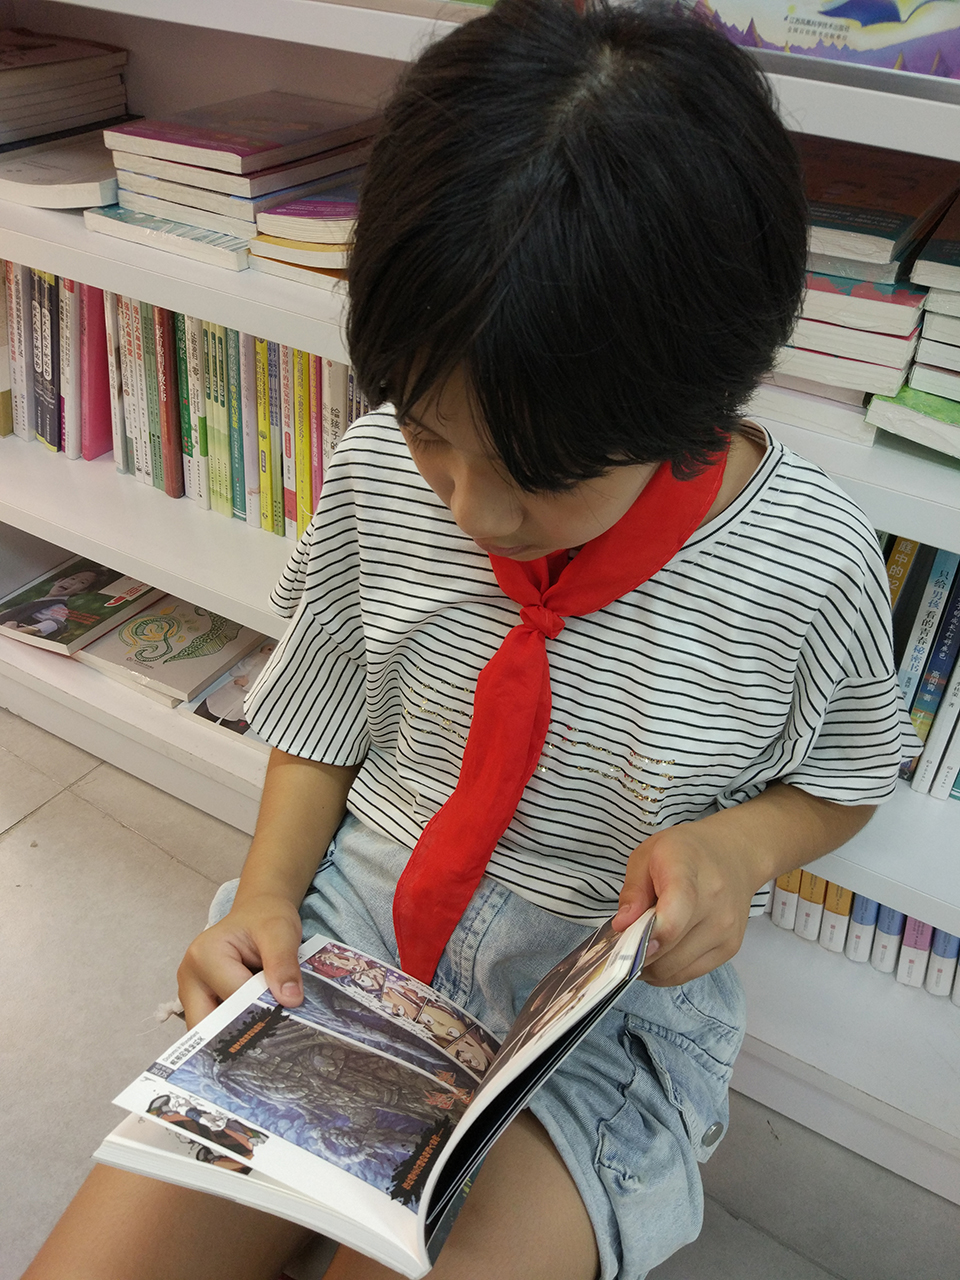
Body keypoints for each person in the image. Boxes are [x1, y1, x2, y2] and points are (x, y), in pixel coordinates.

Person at [24, 3, 916, 1279]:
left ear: (692, 404)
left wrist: (743, 843)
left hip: (601, 1020)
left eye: (540, 474)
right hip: (355, 932)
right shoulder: (378, 473)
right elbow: (322, 707)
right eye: (431, 430)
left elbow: (845, 776)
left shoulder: (806, 561)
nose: (472, 510)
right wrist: (266, 896)